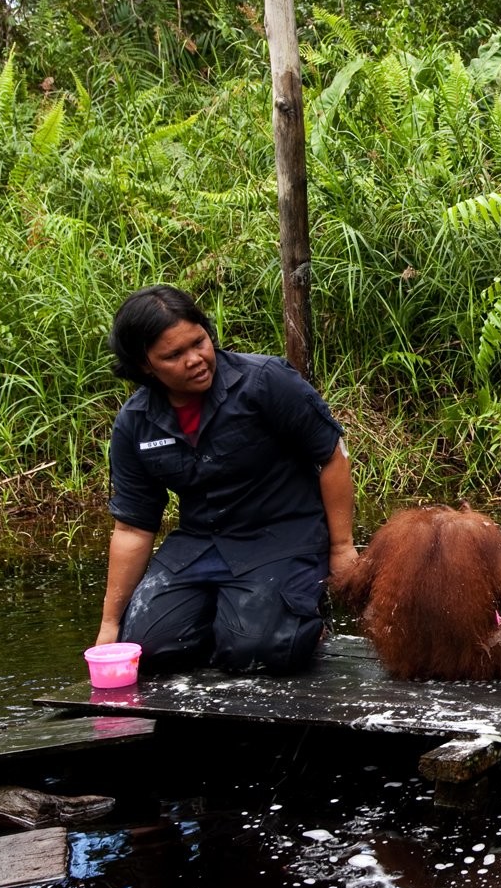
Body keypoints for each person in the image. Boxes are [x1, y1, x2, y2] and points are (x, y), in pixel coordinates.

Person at [92, 285, 358, 675]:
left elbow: (332, 457)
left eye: (199, 342)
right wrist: (109, 626)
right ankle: (240, 617)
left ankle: (297, 620)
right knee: (147, 651)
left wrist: (342, 549)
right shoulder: (135, 422)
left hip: (281, 535)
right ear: (145, 364)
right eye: (174, 355)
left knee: (259, 651)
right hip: (200, 544)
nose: (196, 359)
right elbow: (133, 526)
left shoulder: (265, 382)